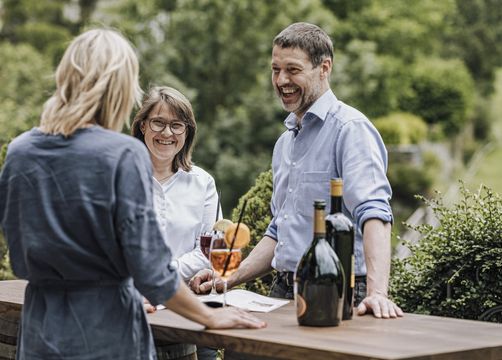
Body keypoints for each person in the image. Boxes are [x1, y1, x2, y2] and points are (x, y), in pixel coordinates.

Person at [0, 28, 265, 360]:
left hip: (41, 330)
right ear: (119, 86)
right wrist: (210, 316)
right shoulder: (123, 155)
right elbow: (152, 271)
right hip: (108, 335)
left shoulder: (22, 151)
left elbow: (19, 253)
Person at [190, 22, 403, 319]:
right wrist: (228, 278)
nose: (281, 80)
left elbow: (375, 212)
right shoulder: (284, 143)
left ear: (324, 68)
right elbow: (279, 231)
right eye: (276, 70)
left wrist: (377, 294)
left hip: (337, 291)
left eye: (293, 70)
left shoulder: (350, 130)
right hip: (283, 290)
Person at [131, 86, 220, 360]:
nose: (167, 133)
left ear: (187, 132)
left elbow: (209, 251)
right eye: (158, 122)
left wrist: (160, 278)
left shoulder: (202, 182)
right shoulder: (121, 178)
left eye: (177, 125)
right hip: (132, 310)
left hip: (188, 314)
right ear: (143, 125)